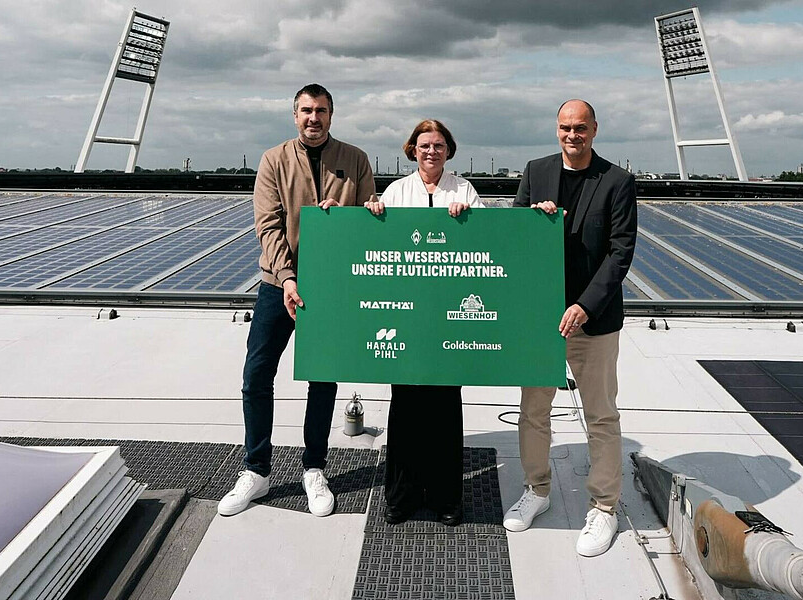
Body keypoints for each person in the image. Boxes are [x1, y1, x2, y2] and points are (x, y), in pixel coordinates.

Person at [218, 83, 376, 518]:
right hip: (276, 286)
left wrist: (349, 216)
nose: (314, 118)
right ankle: (256, 470)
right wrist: (287, 279)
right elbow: (267, 226)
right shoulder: (273, 160)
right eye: (306, 110)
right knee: (256, 376)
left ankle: (314, 467)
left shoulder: (356, 160)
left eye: (321, 111)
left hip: (329, 288)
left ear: (331, 115)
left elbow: (369, 221)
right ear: (295, 115)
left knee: (321, 380)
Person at [502, 99, 637, 558]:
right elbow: (515, 238)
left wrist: (584, 305)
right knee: (534, 408)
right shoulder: (536, 171)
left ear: (595, 129)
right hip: (542, 318)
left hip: (593, 320)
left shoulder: (618, 181)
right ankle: (537, 489)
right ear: (555, 129)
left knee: (600, 414)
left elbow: (620, 253)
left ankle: (604, 505)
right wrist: (532, 222)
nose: (572, 135)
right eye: (565, 127)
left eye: (580, 127)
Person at [365, 119, 483, 526]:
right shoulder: (397, 191)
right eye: (424, 145)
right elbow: (379, 243)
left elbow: (482, 241)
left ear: (448, 150)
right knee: (406, 412)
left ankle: (447, 498)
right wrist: (374, 211)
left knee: (445, 412)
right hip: (408, 318)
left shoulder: (463, 189)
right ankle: (401, 497)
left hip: (448, 320)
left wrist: (469, 216)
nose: (431, 151)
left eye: (438, 145)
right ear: (412, 149)